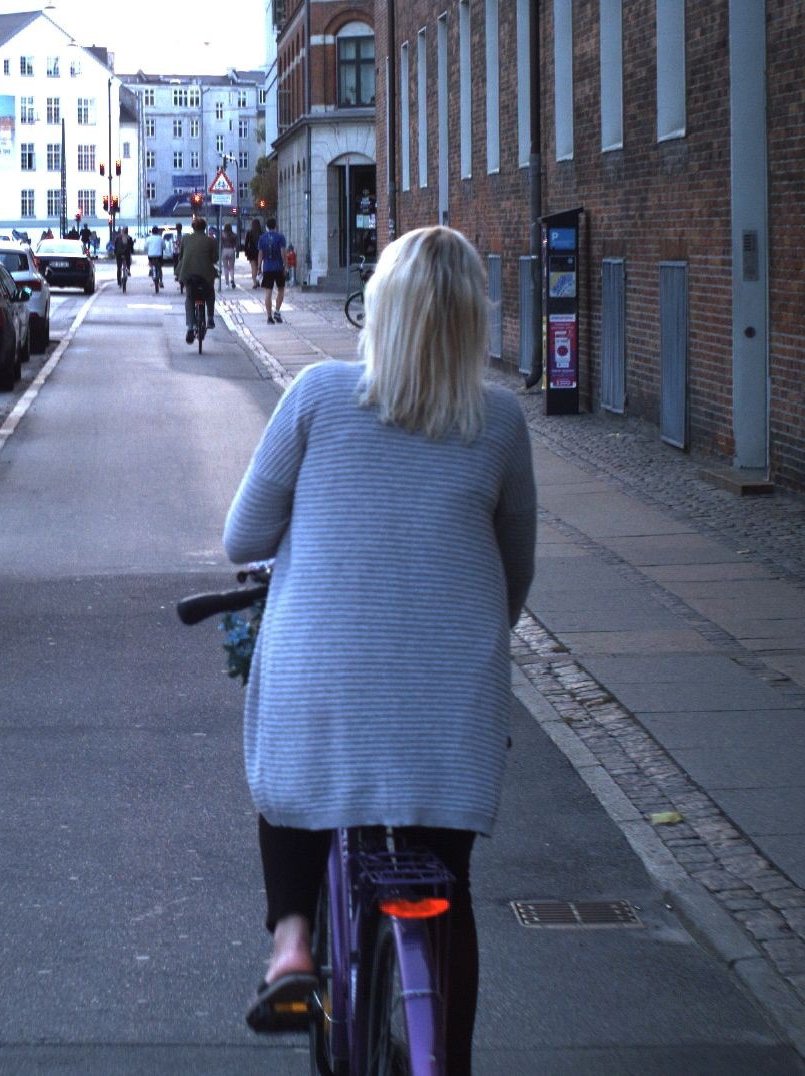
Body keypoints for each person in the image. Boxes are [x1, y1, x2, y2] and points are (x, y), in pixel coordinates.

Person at [225, 227, 536, 1073]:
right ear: (474, 320)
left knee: (295, 784)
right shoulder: (501, 423)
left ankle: (293, 944)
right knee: (449, 886)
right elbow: (514, 574)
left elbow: (243, 537)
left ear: (379, 311)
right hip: (452, 702)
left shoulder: (320, 395)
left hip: (325, 686)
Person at [177, 216, 220, 344]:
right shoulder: (211, 241)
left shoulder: (185, 239)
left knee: (189, 298)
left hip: (188, 274)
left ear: (193, 228)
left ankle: (190, 327)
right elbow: (215, 259)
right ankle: (210, 318)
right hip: (206, 275)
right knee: (210, 293)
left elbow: (181, 256)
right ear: (205, 228)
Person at [256, 217, 288, 324]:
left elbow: (260, 254)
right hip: (278, 267)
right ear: (275, 226)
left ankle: (269, 316)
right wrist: (285, 266)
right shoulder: (280, 237)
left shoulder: (262, 238)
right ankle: (277, 311)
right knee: (281, 289)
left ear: (266, 226)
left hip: (267, 268)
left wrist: (259, 267)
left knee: (268, 292)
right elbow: (283, 252)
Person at [244, 218, 264, 288]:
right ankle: (259, 281)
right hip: (259, 252)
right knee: (259, 267)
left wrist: (246, 252)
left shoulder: (249, 233)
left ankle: (255, 282)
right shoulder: (261, 233)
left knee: (253, 268)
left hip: (251, 252)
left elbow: (246, 244)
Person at [219, 224, 239, 289]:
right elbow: (237, 244)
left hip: (224, 250)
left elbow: (220, 244)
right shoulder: (234, 235)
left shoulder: (222, 235)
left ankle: (227, 284)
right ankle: (232, 279)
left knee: (225, 268)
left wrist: (220, 252)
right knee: (231, 267)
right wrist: (237, 253)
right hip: (231, 250)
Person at [162, 225, 180, 290]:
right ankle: (177, 275)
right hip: (177, 251)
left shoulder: (176, 236)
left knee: (177, 263)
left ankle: (177, 275)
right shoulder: (179, 235)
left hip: (177, 251)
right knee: (176, 263)